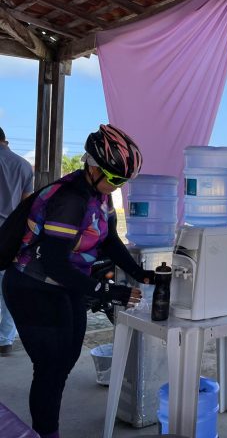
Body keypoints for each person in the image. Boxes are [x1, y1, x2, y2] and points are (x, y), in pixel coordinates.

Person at [1, 124, 155, 438]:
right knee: (50, 368)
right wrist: (108, 290)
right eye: (115, 179)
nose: (118, 186)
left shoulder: (100, 195)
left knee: (66, 359)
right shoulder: (69, 199)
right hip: (33, 287)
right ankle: (46, 433)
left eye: (124, 181)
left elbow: (110, 240)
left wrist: (139, 272)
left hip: (66, 284)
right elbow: (54, 263)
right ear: (93, 168)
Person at [0, 126, 33, 356]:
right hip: (9, 235)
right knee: (8, 290)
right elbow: (27, 206)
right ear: (6, 141)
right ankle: (5, 340)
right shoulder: (23, 166)